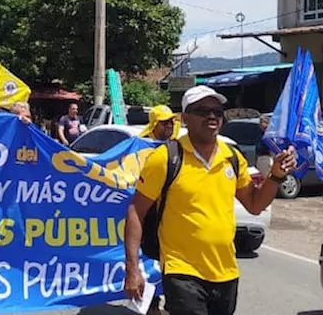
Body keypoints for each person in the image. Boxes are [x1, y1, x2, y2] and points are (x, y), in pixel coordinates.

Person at [123, 86, 296, 315]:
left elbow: (255, 205)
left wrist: (275, 176)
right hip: (181, 271)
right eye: (202, 111)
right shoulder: (166, 158)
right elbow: (136, 211)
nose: (212, 116)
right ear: (184, 118)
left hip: (226, 272)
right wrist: (132, 269)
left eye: (217, 111)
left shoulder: (232, 158)